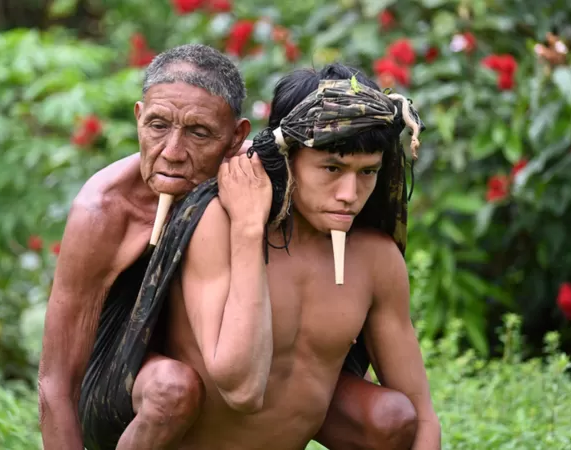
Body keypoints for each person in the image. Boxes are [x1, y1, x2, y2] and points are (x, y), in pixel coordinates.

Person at [37, 42, 419, 450]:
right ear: (138, 118)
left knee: (374, 410)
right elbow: (56, 382)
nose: (172, 153)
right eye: (157, 125)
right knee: (172, 389)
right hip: (137, 390)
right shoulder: (106, 210)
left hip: (234, 389)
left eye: (199, 132)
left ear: (237, 138)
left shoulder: (255, 180)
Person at [160, 65, 441, 449]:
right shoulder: (217, 224)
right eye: (332, 168)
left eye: (368, 172)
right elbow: (241, 389)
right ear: (285, 158)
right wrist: (247, 229)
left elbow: (422, 414)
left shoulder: (376, 259)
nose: (349, 193)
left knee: (394, 415)